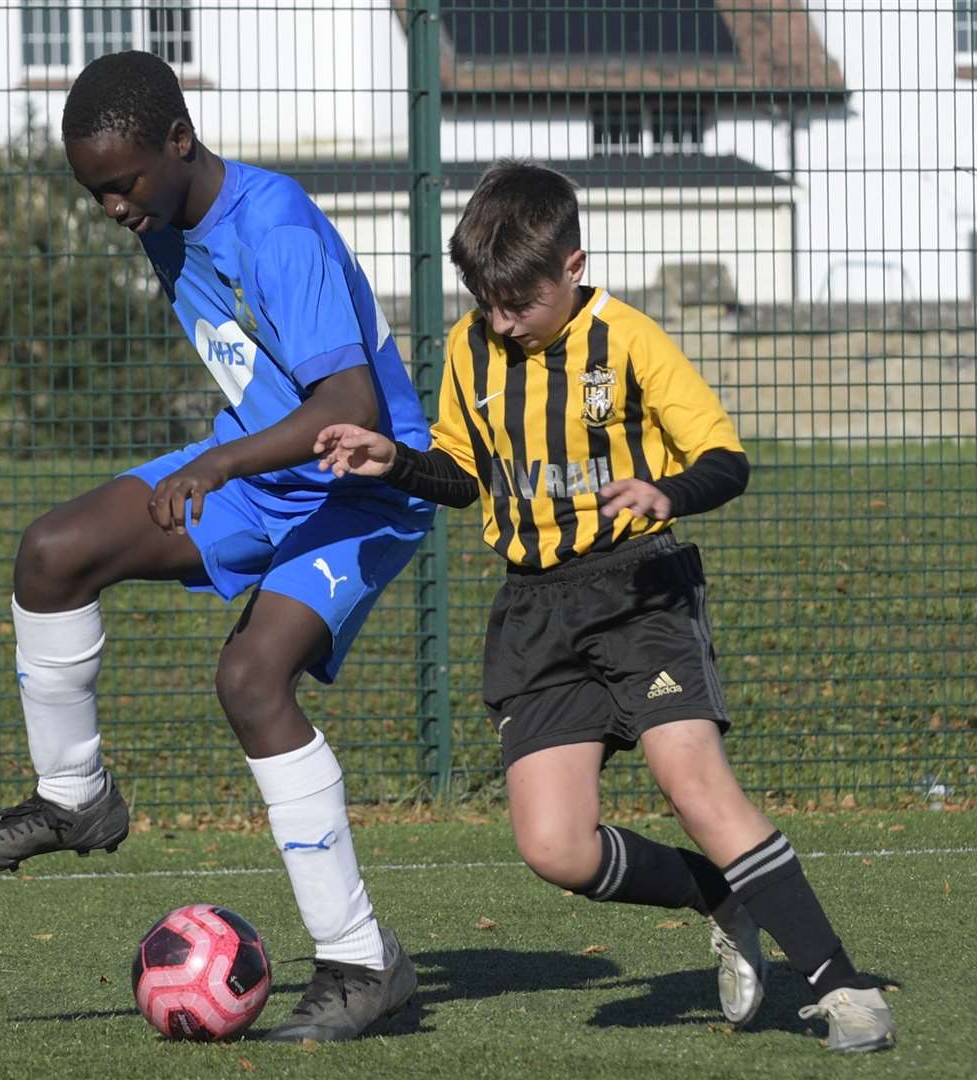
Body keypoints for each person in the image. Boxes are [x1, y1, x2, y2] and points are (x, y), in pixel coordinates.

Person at [314, 160, 896, 1053]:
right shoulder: (473, 350)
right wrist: (391, 460)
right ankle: (718, 892)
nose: (503, 321)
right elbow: (462, 475)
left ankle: (841, 985)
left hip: (637, 590)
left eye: (520, 303)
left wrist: (669, 492)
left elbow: (724, 459)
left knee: (694, 782)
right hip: (535, 612)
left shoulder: (628, 341)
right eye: (488, 302)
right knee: (555, 848)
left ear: (574, 266)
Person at [0, 50, 427, 1043]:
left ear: (179, 142)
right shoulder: (162, 221)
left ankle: (365, 961)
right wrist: (233, 453)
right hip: (261, 471)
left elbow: (350, 406)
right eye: (95, 192)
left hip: (360, 483)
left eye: (123, 183)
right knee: (53, 553)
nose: (113, 207)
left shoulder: (276, 227)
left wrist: (226, 461)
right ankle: (75, 799)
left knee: (251, 678)